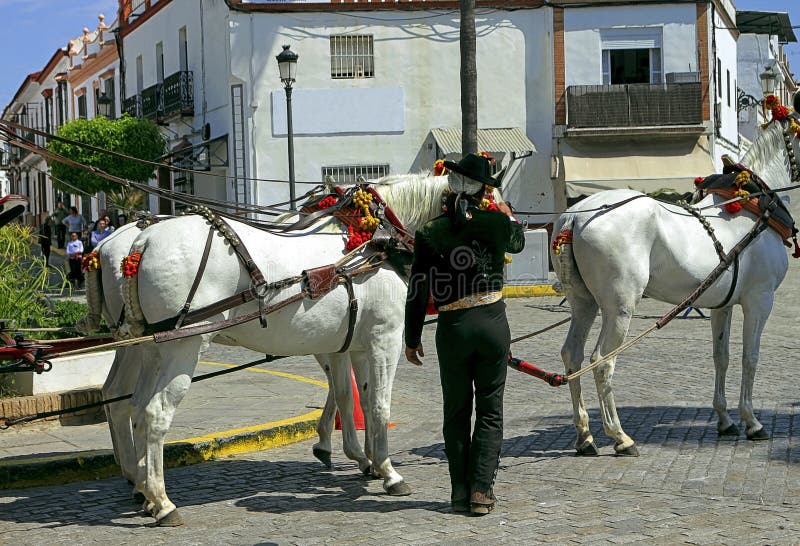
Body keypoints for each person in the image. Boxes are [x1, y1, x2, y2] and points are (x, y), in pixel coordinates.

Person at [404, 153, 525, 516]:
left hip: (452, 328)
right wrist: (502, 208)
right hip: (491, 322)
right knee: (490, 409)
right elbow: (518, 242)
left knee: (456, 412)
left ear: (452, 185)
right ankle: (482, 492)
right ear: (484, 190)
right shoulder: (496, 223)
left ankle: (458, 491)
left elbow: (417, 290)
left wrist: (411, 338)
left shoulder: (429, 231)